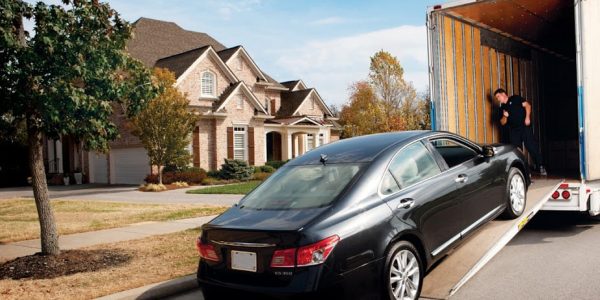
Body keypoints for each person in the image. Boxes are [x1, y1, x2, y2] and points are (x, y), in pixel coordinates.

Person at [494, 88, 546, 176]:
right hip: (514, 131)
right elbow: (502, 122)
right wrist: (505, 116)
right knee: (517, 151)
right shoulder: (502, 108)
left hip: (524, 126)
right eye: (497, 98)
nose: (498, 99)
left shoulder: (515, 98)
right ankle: (523, 170)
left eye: (498, 96)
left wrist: (527, 117)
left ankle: (540, 165)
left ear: (503, 94)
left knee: (531, 146)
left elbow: (528, 105)